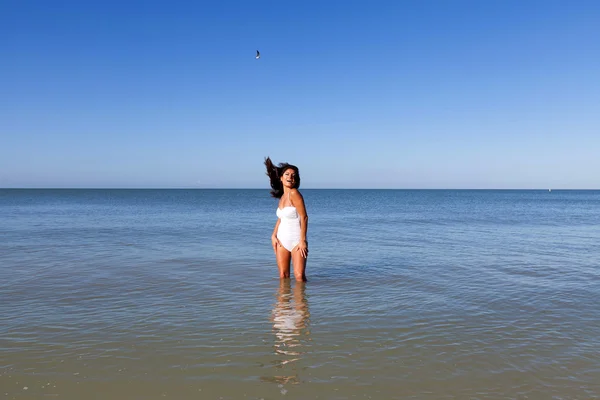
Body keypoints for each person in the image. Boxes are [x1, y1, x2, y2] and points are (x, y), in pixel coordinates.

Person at [264, 157, 309, 281]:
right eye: (287, 174)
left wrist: (303, 240)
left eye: (294, 175)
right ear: (281, 178)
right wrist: (273, 235)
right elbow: (281, 218)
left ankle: (302, 301)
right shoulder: (283, 196)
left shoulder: (295, 193)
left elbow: (304, 217)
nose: (291, 177)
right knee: (283, 276)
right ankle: (282, 300)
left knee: (299, 276)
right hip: (281, 240)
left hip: (296, 240)